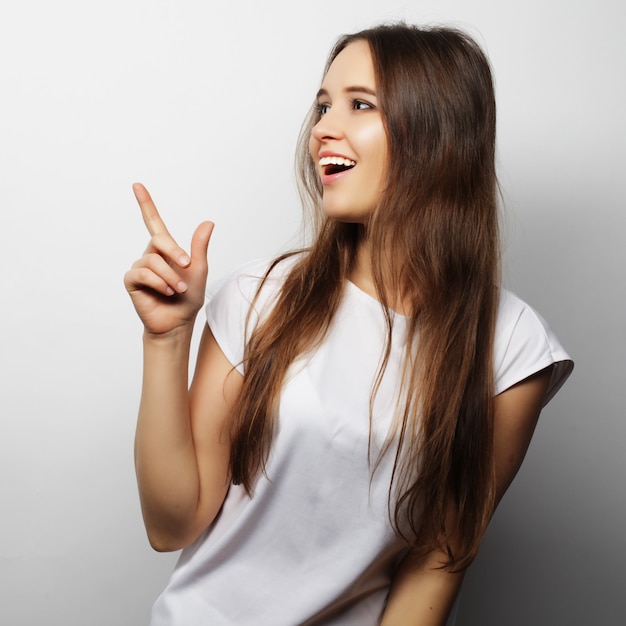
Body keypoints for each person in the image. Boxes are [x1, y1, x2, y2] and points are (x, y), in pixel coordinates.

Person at [124, 23, 573, 626]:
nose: (322, 129)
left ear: (437, 133)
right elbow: (171, 524)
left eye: (360, 104)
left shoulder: (512, 348)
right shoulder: (260, 297)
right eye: (322, 106)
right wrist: (166, 338)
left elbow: (437, 560)